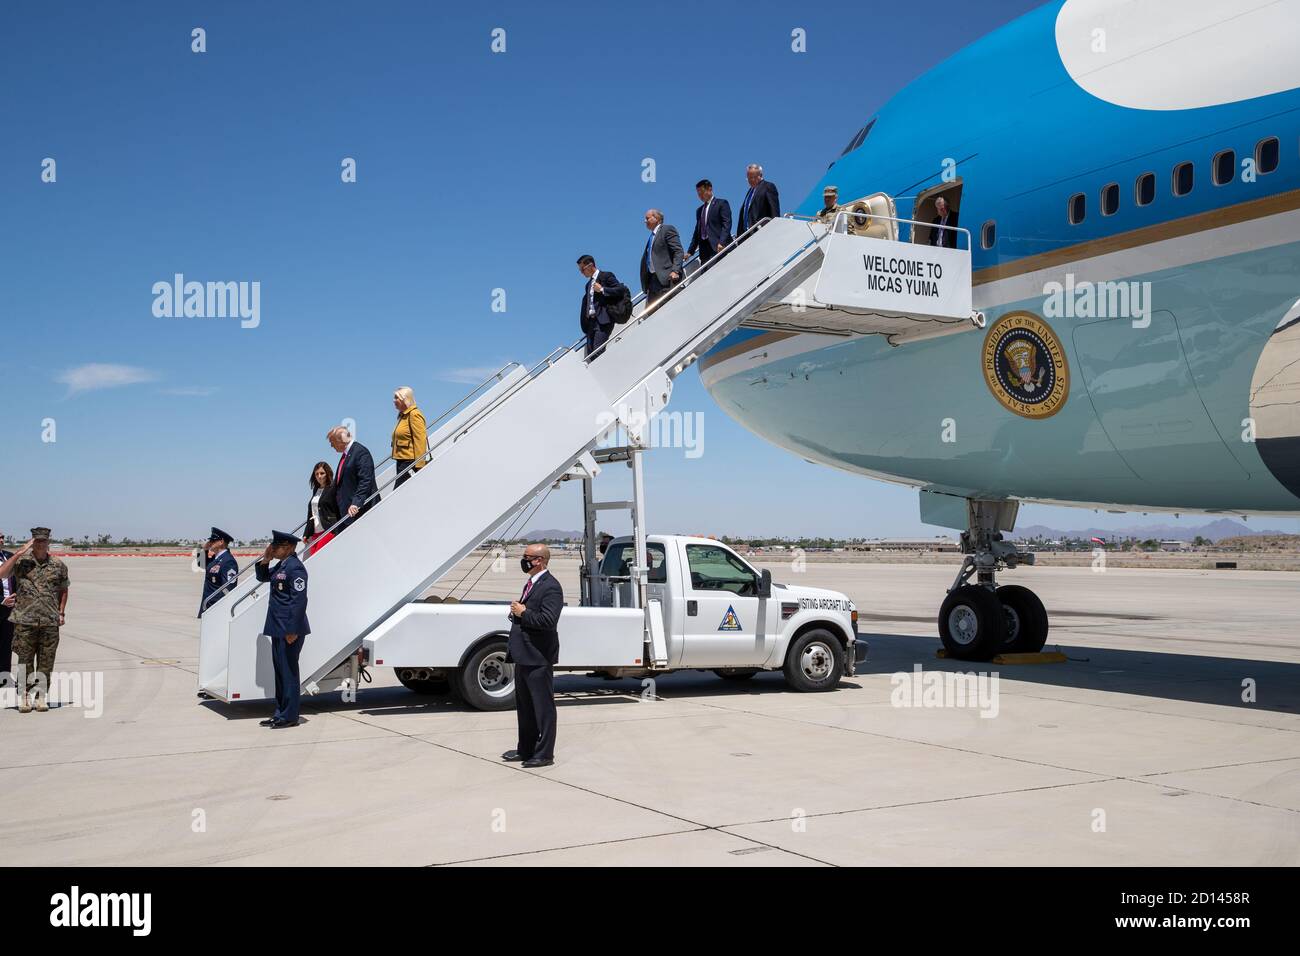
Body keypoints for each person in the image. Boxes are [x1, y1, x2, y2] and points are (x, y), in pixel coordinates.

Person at [501, 543, 564, 768]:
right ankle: (526, 748)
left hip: (538, 656)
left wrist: (524, 612)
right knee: (525, 707)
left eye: (527, 557)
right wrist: (518, 613)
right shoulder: (532, 583)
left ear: (539, 561)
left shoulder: (551, 587)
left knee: (542, 707)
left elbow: (548, 621)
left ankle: (544, 753)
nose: (523, 560)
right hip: (523, 654)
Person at [0, 528, 69, 713]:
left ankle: (41, 697)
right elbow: (2, 574)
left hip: (49, 621)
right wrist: (19, 553)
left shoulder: (58, 565)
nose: (40, 544)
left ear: (48, 542)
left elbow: (64, 589)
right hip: (25, 621)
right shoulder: (22, 562)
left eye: (43, 541)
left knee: (46, 661)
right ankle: (24, 697)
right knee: (25, 661)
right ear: (33, 542)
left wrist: (61, 613)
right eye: (37, 541)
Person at [254, 530, 310, 729]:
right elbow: (262, 577)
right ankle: (280, 713)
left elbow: (299, 601)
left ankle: (290, 716)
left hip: (289, 630)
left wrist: (292, 629)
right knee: (280, 674)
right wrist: (265, 560)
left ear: (289, 547)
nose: (273, 549)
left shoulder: (295, 568)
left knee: (289, 673)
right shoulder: (282, 565)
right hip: (278, 627)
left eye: (276, 547)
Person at [576, 255, 629, 358]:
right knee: (591, 354)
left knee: (598, 350)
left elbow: (620, 290)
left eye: (582, 269)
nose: (582, 273)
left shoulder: (606, 276)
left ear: (590, 265)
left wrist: (602, 289)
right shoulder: (588, 285)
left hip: (603, 320)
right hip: (591, 323)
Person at [328, 426, 376, 532]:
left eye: (332, 442)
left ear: (341, 440)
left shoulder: (360, 452)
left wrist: (356, 503)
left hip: (358, 511)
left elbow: (366, 480)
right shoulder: (347, 454)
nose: (331, 446)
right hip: (345, 513)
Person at [639, 209, 684, 307]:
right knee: (651, 312)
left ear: (657, 218)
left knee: (668, 308)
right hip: (652, 282)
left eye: (647, 218)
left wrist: (675, 270)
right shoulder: (651, 237)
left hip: (666, 279)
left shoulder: (667, 230)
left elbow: (678, 251)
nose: (645, 221)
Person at [687, 179, 732, 267]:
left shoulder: (721, 203)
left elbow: (727, 223)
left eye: (702, 192)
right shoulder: (699, 211)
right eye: (698, 194)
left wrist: (722, 242)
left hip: (719, 247)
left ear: (709, 189)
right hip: (705, 253)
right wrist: (690, 252)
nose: (700, 196)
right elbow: (697, 232)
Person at [391, 387, 428, 489]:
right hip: (401, 461)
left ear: (405, 399)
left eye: (396, 398)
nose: (394, 400)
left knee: (397, 492)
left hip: (409, 462)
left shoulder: (414, 414)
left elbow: (420, 440)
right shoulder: (403, 416)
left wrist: (420, 464)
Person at [198, 527, 239, 617]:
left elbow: (228, 588)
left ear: (221, 542)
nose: (210, 543)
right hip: (208, 606)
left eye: (213, 541)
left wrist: (217, 607)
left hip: (216, 608)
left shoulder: (228, 561)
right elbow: (200, 564)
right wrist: (204, 549)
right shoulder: (215, 559)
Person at [305, 461, 341, 555]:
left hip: (328, 529)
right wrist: (306, 533)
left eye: (322, 473)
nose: (319, 476)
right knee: (313, 560)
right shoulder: (316, 490)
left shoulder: (333, 488)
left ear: (327, 473)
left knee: (318, 556)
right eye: (316, 474)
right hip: (315, 532)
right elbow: (312, 512)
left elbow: (339, 507)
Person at [736, 163, 780, 235]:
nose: (751, 180)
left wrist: (774, 230)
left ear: (761, 175)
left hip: (760, 232)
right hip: (746, 235)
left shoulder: (768, 186)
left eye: (754, 177)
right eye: (749, 178)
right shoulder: (750, 192)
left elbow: (774, 211)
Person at [0, 532, 14, 684]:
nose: (2, 540)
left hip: (10, 607)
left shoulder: (9, 557)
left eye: (3, 537)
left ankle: (4, 676)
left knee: (6, 643)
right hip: (1, 602)